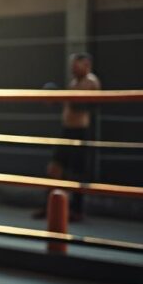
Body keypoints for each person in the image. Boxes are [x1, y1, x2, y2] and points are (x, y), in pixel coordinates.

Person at [35, 52, 101, 222]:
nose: (72, 68)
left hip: (80, 132)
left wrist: (61, 97)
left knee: (77, 173)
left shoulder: (90, 82)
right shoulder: (74, 83)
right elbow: (71, 105)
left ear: (86, 65)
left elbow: (83, 106)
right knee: (54, 169)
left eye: (76, 65)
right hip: (67, 131)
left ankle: (77, 211)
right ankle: (49, 206)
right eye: (72, 64)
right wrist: (57, 99)